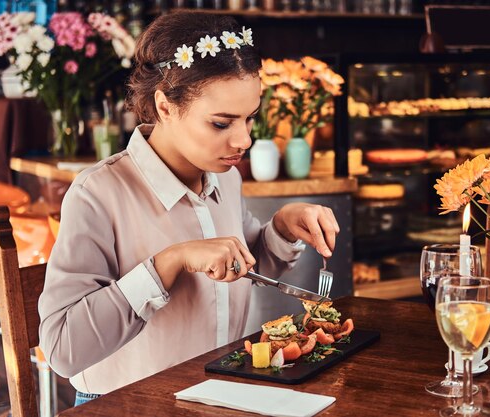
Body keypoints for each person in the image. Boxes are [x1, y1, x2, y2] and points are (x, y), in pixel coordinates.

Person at [38, 11, 340, 406]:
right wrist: (170, 263)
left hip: (219, 396)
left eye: (250, 119)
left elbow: (242, 270)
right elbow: (63, 349)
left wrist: (281, 229)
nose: (243, 139)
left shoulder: (225, 177)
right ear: (164, 107)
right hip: (123, 404)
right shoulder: (98, 193)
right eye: (221, 123)